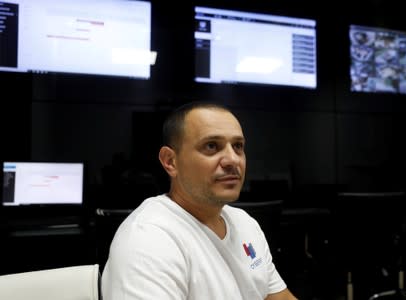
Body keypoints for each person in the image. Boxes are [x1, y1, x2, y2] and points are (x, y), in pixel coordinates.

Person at [101, 102, 298, 300]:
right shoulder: (146, 240)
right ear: (170, 161)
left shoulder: (245, 223)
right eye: (211, 146)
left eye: (238, 146)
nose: (232, 159)